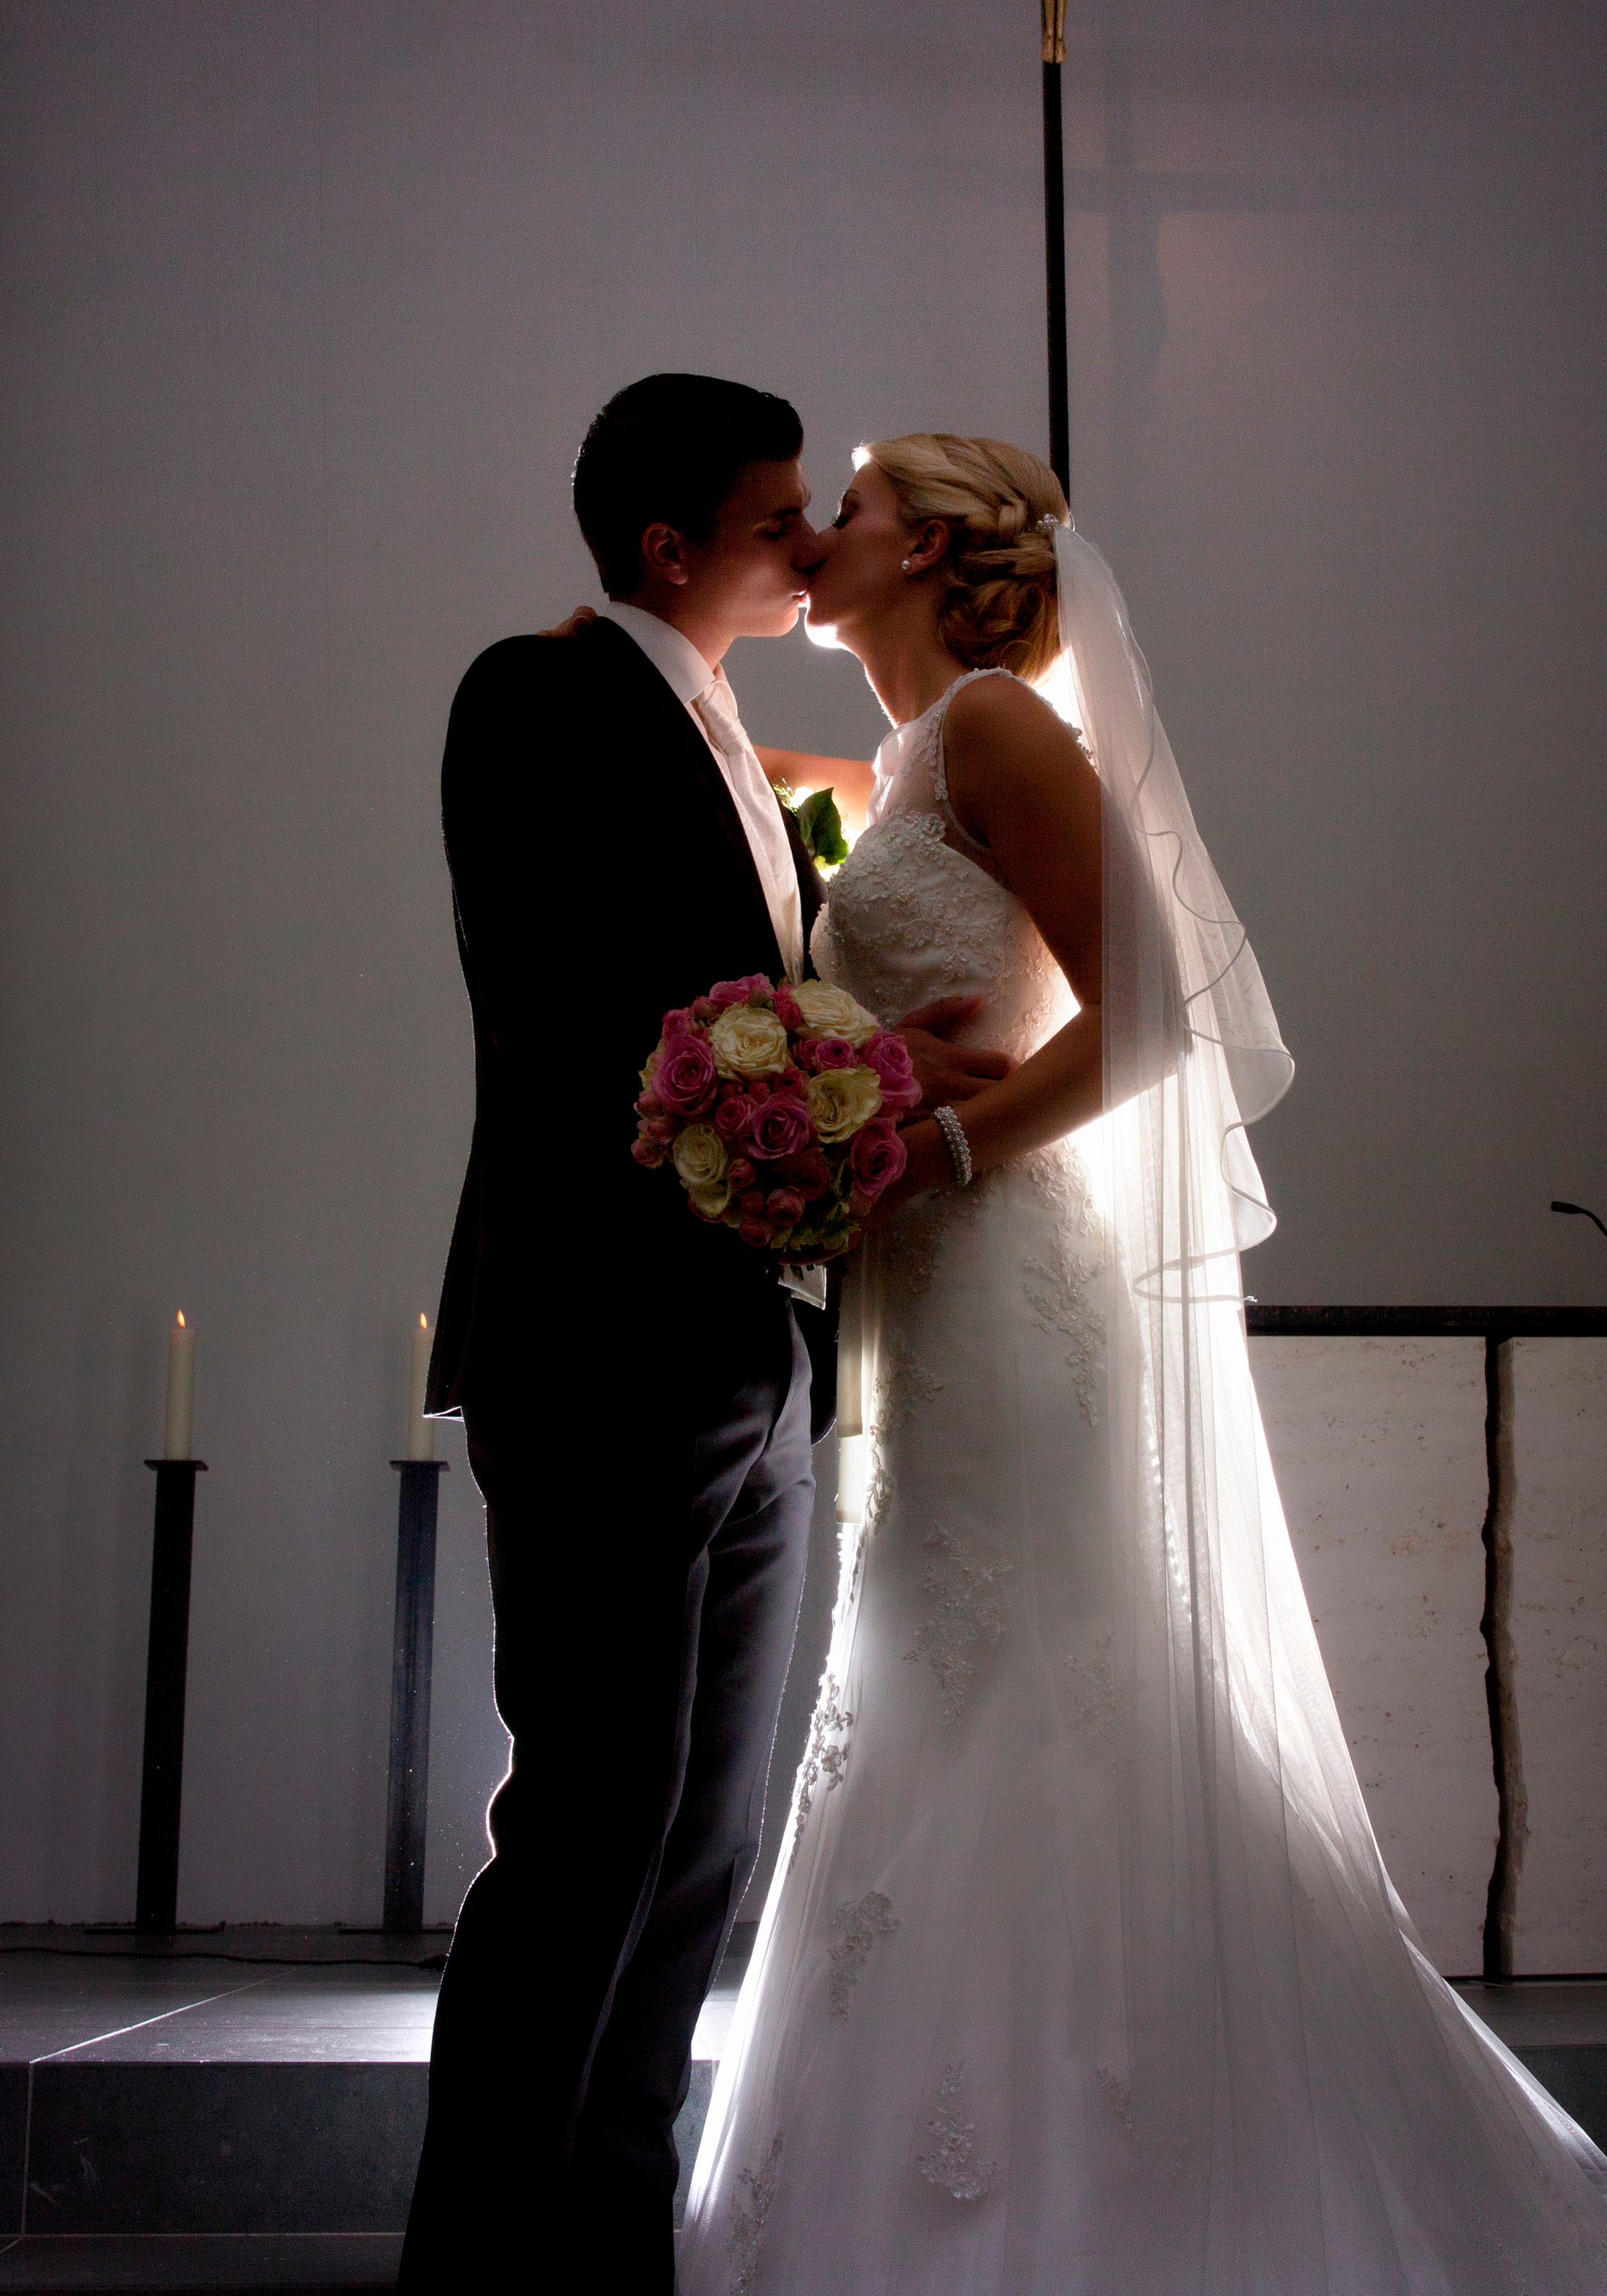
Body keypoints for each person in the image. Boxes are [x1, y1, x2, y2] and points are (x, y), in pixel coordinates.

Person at [678, 432, 1607, 2294]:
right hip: (928, 1282)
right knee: (942, 1663)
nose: (818, 540)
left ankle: (1091, 2182)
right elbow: (762, 801)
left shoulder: (1005, 727)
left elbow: (1158, 1012)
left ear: (924, 544)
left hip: (1005, 1266)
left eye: (844, 506)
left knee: (1033, 1674)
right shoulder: (919, 757)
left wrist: (936, 1145)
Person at [397, 377, 1011, 2293]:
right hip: (599, 1349)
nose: (814, 540)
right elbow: (592, 1021)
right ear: (675, 549)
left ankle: (608, 2259)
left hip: (753, 1360)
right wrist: (859, 1066)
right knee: (587, 1834)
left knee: (690, 1858)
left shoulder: (752, 740)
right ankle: (478, 2272)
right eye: (780, 514)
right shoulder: (542, 698)